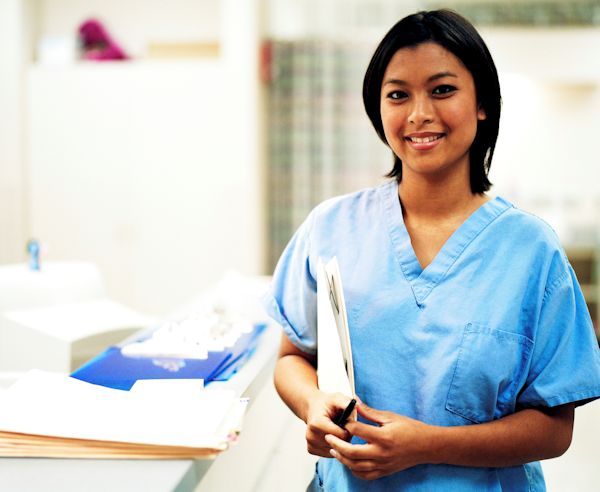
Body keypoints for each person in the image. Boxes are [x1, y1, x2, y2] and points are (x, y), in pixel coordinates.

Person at [263, 9, 600, 491]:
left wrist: (426, 445)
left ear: (482, 103)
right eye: (398, 94)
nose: (419, 114)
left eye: (442, 90)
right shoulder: (331, 227)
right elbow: (291, 356)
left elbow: (554, 428)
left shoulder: (530, 251)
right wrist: (312, 405)